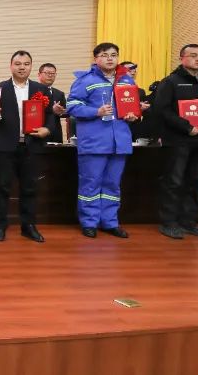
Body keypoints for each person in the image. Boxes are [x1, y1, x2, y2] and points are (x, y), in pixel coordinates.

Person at [152, 43, 198, 240]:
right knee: (174, 181)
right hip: (178, 140)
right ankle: (169, 222)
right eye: (193, 55)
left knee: (196, 182)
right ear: (182, 58)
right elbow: (162, 110)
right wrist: (187, 127)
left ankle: (190, 221)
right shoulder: (171, 81)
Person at [66, 43, 139, 238]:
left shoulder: (127, 81)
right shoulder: (85, 80)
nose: (110, 58)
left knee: (112, 185)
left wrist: (133, 115)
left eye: (114, 55)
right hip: (94, 142)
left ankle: (110, 222)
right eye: (105, 55)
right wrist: (95, 111)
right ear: (96, 59)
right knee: (90, 184)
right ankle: (89, 222)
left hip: (119, 142)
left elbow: (132, 107)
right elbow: (72, 106)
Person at [0, 50, 52, 243]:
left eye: (26, 64)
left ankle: (28, 226)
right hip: (6, 146)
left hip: (32, 146)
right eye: (18, 64)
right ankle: (0, 226)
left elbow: (50, 115)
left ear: (31, 66)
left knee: (30, 188)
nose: (22, 67)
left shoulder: (41, 89)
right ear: (11, 66)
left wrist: (47, 129)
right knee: (2, 188)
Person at [119, 61, 153, 141]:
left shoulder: (140, 91)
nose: (133, 72)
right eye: (129, 70)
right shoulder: (114, 89)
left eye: (134, 70)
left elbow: (145, 112)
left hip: (135, 128)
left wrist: (143, 108)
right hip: (120, 126)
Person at [37, 63, 68, 142]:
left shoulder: (59, 93)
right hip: (38, 132)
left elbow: (65, 113)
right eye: (47, 73)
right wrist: (52, 109)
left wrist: (61, 112)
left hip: (55, 133)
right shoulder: (32, 91)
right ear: (39, 75)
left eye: (53, 73)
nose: (50, 75)